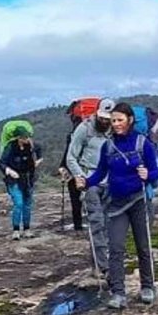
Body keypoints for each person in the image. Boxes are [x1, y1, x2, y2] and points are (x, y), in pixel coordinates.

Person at [84, 102, 158, 309]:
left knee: (143, 247)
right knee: (116, 248)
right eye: (113, 121)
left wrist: (149, 175)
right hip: (116, 204)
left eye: (120, 120)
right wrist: (84, 182)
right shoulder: (108, 146)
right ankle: (118, 293)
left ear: (130, 120)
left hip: (139, 202)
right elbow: (100, 173)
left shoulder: (142, 143)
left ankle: (148, 287)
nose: (116, 124)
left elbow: (156, 173)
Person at [63, 97, 115, 274]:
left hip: (111, 182)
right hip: (90, 181)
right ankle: (103, 267)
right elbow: (71, 157)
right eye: (102, 118)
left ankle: (101, 262)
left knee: (110, 224)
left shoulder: (116, 129)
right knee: (96, 222)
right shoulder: (84, 129)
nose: (104, 121)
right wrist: (80, 176)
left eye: (108, 119)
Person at [0, 129, 40, 240]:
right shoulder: (10, 148)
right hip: (14, 179)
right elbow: (1, 163)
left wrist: (36, 163)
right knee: (18, 203)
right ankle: (16, 230)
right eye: (25, 137)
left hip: (27, 179)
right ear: (19, 138)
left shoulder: (29, 147)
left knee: (27, 204)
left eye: (28, 137)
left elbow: (36, 155)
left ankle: (27, 229)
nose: (27, 139)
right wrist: (9, 171)